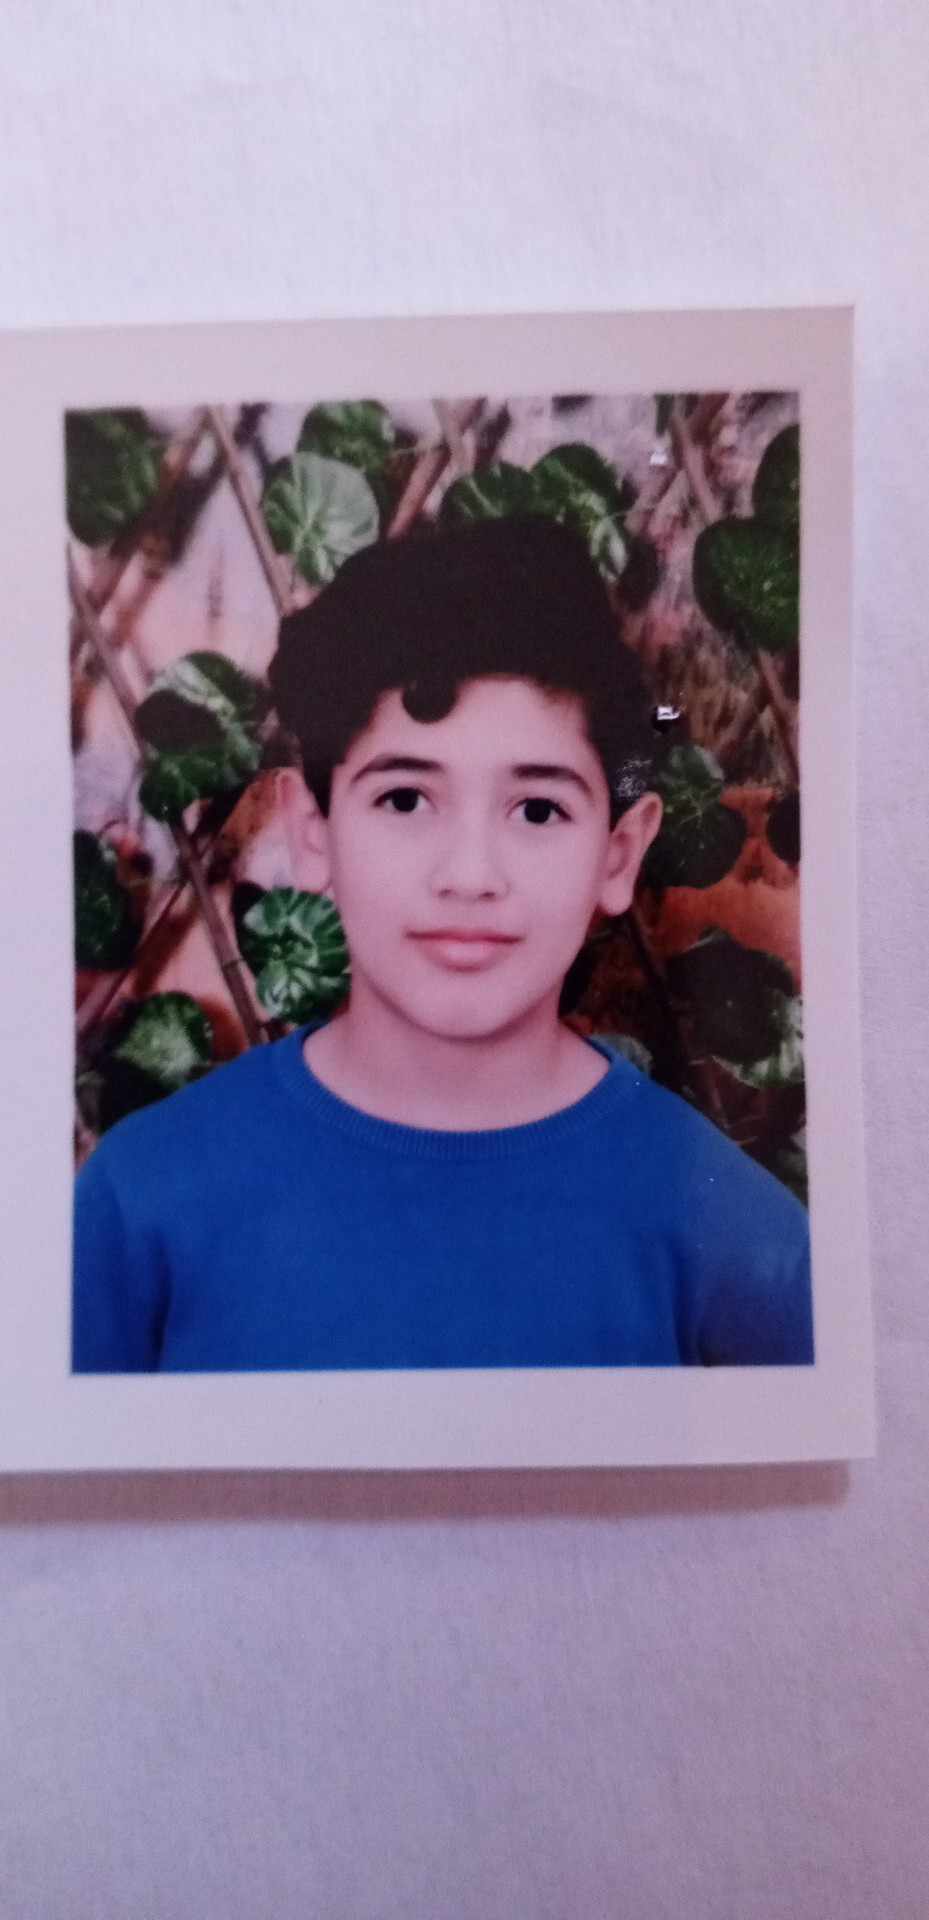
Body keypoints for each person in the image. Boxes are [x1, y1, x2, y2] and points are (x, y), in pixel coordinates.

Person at [72, 516, 813, 1372]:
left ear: (617, 853)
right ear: (313, 831)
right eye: (404, 800)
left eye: (537, 810)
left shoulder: (730, 1229)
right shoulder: (145, 1198)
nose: (469, 875)